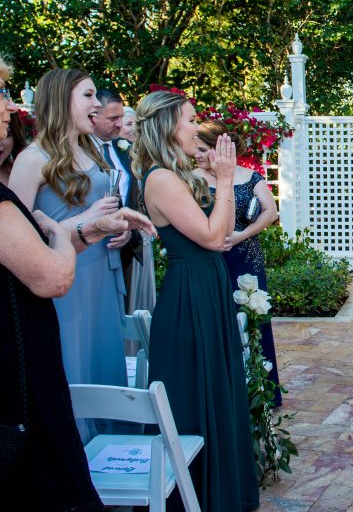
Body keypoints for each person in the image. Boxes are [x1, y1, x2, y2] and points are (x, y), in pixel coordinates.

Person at [0, 34, 154, 510]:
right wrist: (68, 232)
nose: (9, 105)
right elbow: (49, 274)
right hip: (8, 361)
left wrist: (92, 230)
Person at [133, 89, 259, 511]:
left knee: (216, 385)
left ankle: (219, 490)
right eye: (189, 120)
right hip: (189, 296)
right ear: (167, 125)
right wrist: (224, 180)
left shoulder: (176, 173)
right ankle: (198, 494)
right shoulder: (160, 178)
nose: (195, 127)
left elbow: (219, 235)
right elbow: (211, 235)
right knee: (195, 390)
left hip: (207, 284)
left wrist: (215, 186)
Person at [9, 69, 132, 437]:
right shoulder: (33, 159)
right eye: (88, 95)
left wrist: (118, 230)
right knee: (72, 363)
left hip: (103, 272)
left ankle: (109, 451)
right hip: (67, 279)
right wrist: (85, 224)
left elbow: (100, 211)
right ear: (61, 101)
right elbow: (17, 231)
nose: (97, 103)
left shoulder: (90, 149)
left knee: (104, 360)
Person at [196, 120, 282, 406]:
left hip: (246, 257)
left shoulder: (251, 177)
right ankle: (223, 392)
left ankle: (261, 390)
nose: (196, 155)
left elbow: (270, 211)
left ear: (219, 149)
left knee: (253, 320)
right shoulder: (190, 179)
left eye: (201, 149)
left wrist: (242, 235)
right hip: (210, 257)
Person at [92, 88, 145, 303]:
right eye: (113, 118)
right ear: (93, 116)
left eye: (122, 117)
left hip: (124, 246)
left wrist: (129, 231)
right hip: (90, 244)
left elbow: (133, 196)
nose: (120, 124)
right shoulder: (77, 151)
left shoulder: (125, 149)